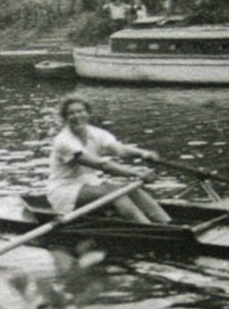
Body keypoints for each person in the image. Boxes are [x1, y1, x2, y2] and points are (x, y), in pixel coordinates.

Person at [47, 96, 171, 225]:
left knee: (131, 189)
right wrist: (137, 174)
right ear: (65, 118)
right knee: (114, 192)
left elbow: (120, 150)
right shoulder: (63, 141)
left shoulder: (95, 133)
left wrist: (142, 153)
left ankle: (167, 223)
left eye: (80, 111)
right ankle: (147, 227)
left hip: (90, 183)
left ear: (88, 113)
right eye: (71, 113)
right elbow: (103, 165)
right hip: (65, 190)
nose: (77, 116)